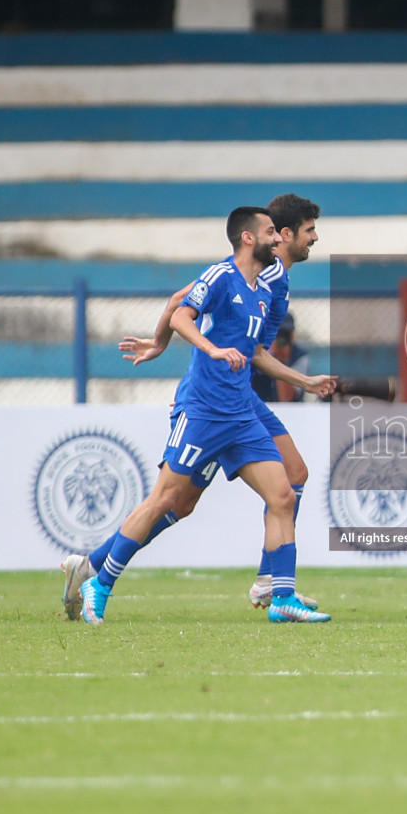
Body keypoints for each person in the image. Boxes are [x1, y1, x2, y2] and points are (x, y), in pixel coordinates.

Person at [65, 207, 334, 625]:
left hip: (242, 410)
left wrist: (305, 382)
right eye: (303, 231)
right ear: (254, 238)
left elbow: (256, 352)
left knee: (283, 491)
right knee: (169, 499)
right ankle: (97, 579)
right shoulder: (225, 276)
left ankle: (280, 594)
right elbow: (180, 310)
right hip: (205, 410)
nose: (293, 240)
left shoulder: (265, 291)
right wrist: (176, 346)